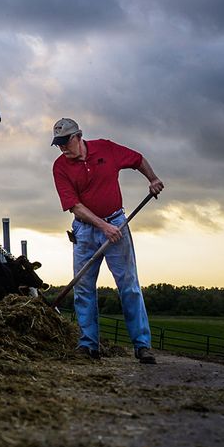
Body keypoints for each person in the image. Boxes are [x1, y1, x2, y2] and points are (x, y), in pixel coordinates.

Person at [51, 117, 164, 364]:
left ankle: (142, 345)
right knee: (83, 288)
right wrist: (104, 227)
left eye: (65, 142)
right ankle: (89, 345)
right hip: (85, 231)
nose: (62, 148)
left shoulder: (106, 149)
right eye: (58, 144)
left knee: (129, 286)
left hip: (117, 223)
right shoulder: (60, 167)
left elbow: (137, 159)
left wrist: (152, 179)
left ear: (78, 136)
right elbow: (75, 206)